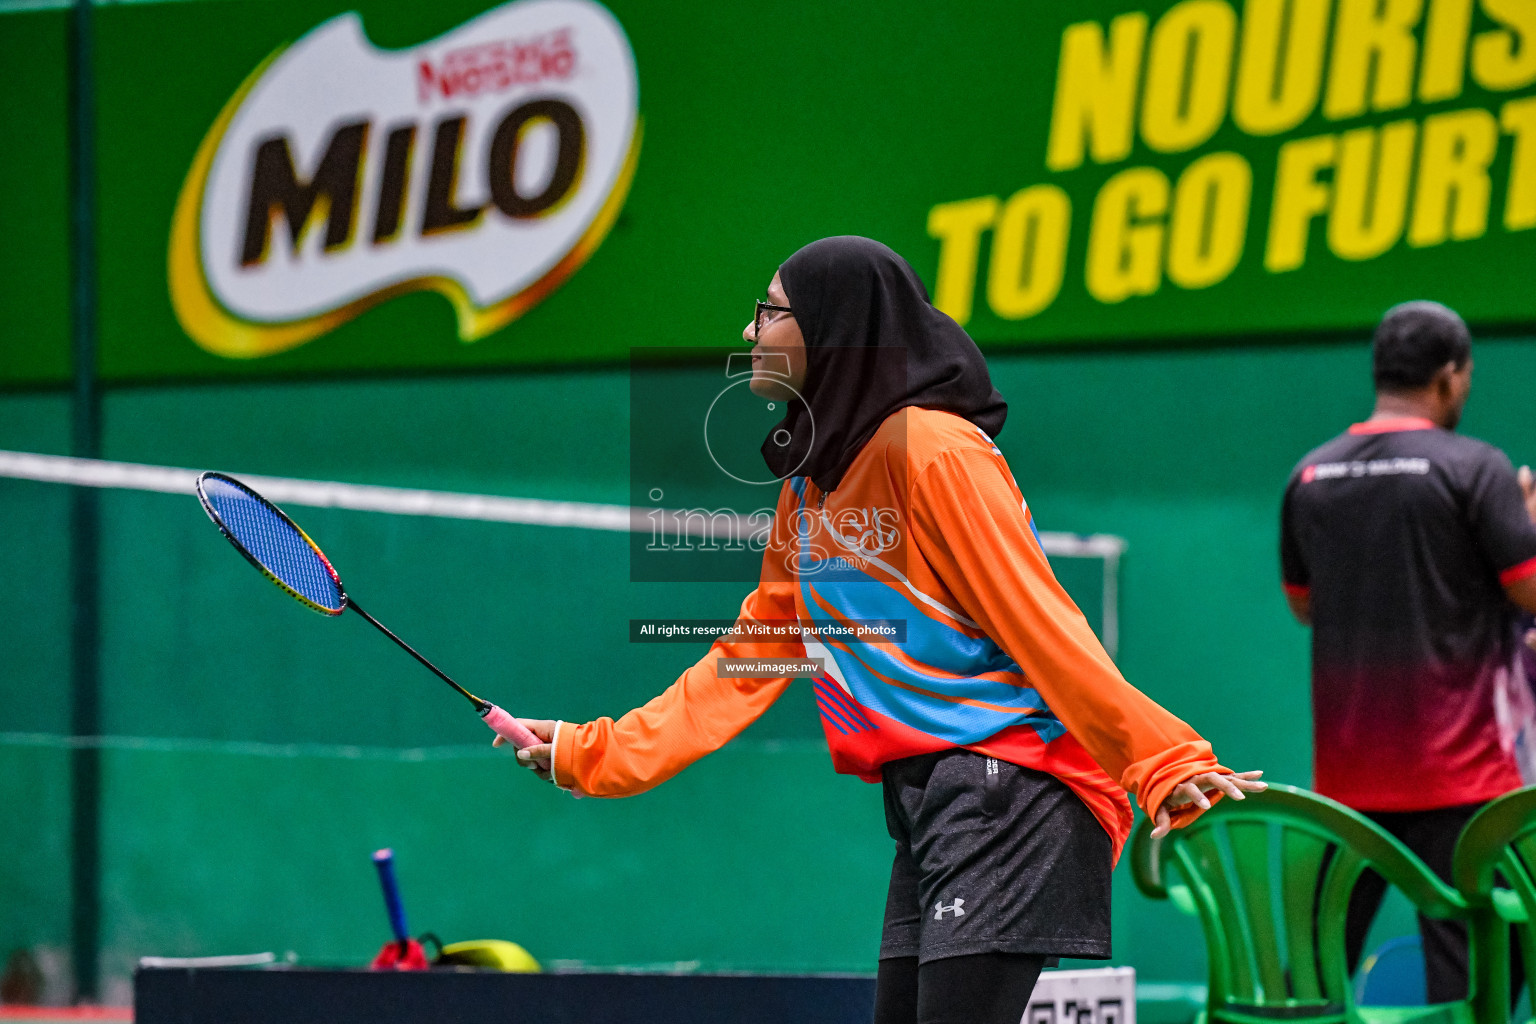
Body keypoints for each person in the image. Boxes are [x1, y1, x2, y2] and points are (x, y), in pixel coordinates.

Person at [507, 236, 1265, 1024]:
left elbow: (1041, 622)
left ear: (836, 326)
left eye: (768, 311)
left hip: (1011, 784)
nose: (747, 333)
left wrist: (1163, 761)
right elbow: (753, 657)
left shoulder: (931, 449)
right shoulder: (810, 484)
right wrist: (589, 750)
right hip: (929, 799)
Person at [1280, 300, 1536, 1002]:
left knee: (1310, 987)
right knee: (1478, 989)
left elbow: (1305, 605)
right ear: (1451, 377)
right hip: (1464, 790)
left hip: (1346, 792)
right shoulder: (1477, 470)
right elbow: (1529, 592)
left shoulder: (1310, 476)